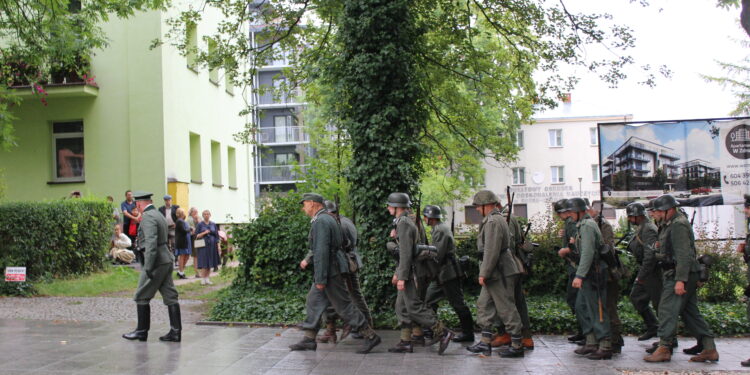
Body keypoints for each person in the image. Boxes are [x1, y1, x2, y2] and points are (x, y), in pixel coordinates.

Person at [290, 193, 381, 354]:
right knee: (313, 301)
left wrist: (321, 278)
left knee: (343, 305)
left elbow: (322, 252)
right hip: (331, 269)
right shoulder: (327, 218)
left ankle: (370, 335)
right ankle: (309, 338)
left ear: (312, 203)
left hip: (330, 272)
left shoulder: (322, 221)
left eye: (304, 204)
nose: (303, 208)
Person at [644, 194, 718, 363]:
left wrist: (680, 280)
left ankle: (664, 348)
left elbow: (684, 255)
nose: (655, 214)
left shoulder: (678, 225)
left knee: (666, 310)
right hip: (679, 274)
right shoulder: (669, 224)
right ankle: (709, 348)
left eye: (658, 211)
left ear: (669, 210)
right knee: (690, 313)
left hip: (679, 275)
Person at [386, 192, 453, 355]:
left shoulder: (404, 224)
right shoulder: (404, 222)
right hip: (410, 270)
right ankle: (405, 341)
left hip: (411, 272)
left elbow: (406, 253)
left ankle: (443, 331)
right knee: (401, 306)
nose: (387, 208)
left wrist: (401, 276)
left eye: (389, 205)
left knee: (413, 306)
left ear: (396, 207)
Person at [466, 190, 524, 358]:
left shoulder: (493, 221)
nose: (476, 209)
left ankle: (517, 344)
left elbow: (491, 251)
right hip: (495, 271)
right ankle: (485, 342)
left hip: (500, 271)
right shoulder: (494, 219)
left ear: (487, 205)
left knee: (506, 308)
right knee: (484, 305)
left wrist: (484, 272)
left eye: (478, 206)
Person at [308, 200, 374, 343]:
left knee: (348, 298)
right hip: (346, 262)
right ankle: (336, 329)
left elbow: (335, 247)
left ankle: (363, 328)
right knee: (344, 297)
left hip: (342, 264)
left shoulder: (338, 224)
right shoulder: (344, 221)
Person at [122, 191, 182, 343]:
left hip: (156, 262)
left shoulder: (148, 217)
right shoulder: (158, 214)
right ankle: (175, 332)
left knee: (141, 295)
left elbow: (151, 242)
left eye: (137, 205)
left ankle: (142, 332)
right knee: (170, 295)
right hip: (165, 259)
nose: (137, 208)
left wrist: (148, 266)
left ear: (139, 204)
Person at [564, 197, 611, 360]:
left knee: (597, 309)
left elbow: (588, 253)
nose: (569, 215)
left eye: (571, 212)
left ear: (579, 211)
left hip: (594, 273)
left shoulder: (587, 226)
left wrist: (580, 275)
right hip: (589, 273)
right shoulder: (582, 225)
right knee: (582, 306)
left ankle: (605, 345)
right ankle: (591, 341)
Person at [420, 205, 475, 343]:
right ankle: (432, 330)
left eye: (425, 216)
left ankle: (468, 333)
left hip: (448, 273)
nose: (424, 219)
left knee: (458, 303)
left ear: (430, 217)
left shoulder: (440, 230)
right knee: (428, 301)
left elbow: (436, 255)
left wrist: (428, 271)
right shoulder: (437, 229)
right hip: (442, 273)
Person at [492, 203, 533, 350]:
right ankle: (525, 336)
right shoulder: (510, 218)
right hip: (515, 265)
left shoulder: (503, 218)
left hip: (506, 267)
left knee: (505, 302)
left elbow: (505, 245)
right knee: (517, 302)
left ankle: (507, 335)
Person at [587, 200, 623, 354]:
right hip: (598, 272)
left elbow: (607, 249)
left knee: (609, 307)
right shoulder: (591, 224)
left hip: (608, 271)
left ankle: (615, 339)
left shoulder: (603, 225)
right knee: (602, 307)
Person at [626, 202, 661, 342]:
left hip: (652, 271)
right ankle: (654, 327)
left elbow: (650, 255)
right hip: (647, 270)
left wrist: (642, 276)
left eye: (630, 217)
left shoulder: (648, 229)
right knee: (637, 298)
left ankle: (666, 337)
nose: (629, 220)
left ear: (636, 216)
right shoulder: (643, 227)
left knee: (659, 304)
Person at [553, 198, 584, 344]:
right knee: (575, 300)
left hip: (576, 266)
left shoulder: (571, 222)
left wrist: (565, 250)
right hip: (573, 265)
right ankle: (583, 331)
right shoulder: (569, 223)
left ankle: (585, 331)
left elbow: (577, 245)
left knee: (575, 301)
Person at [195, 210, 220, 285]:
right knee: (204, 261)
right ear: (203, 216)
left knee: (210, 262)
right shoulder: (200, 224)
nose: (206, 215)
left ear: (210, 215)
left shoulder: (213, 224)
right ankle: (203, 279)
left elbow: (217, 236)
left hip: (212, 246)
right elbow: (197, 235)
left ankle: (207, 278)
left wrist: (218, 246)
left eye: (208, 214)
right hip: (203, 245)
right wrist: (204, 233)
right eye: (205, 214)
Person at [174, 208, 191, 279]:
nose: (184, 213)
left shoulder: (181, 221)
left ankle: (180, 271)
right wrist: (190, 229)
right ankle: (181, 272)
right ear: (181, 213)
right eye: (183, 212)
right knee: (182, 256)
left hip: (185, 241)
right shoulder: (179, 221)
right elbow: (183, 231)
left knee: (187, 256)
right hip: (182, 241)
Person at [186, 207, 200, 277]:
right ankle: (197, 272)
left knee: (199, 255)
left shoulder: (198, 218)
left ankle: (199, 271)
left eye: (196, 212)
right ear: (191, 212)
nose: (196, 213)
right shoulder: (189, 219)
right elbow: (191, 230)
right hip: (194, 239)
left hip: (200, 238)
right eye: (195, 212)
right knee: (196, 256)